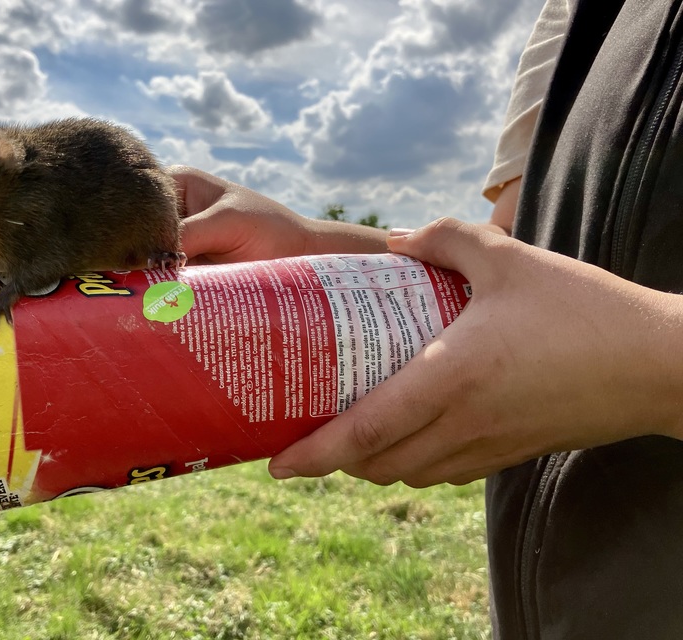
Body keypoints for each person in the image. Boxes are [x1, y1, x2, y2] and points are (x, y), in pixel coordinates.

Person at [167, 0, 683, 637]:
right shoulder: (573, 15)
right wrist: (317, 251)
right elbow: (515, 258)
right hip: (550, 596)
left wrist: (649, 362)